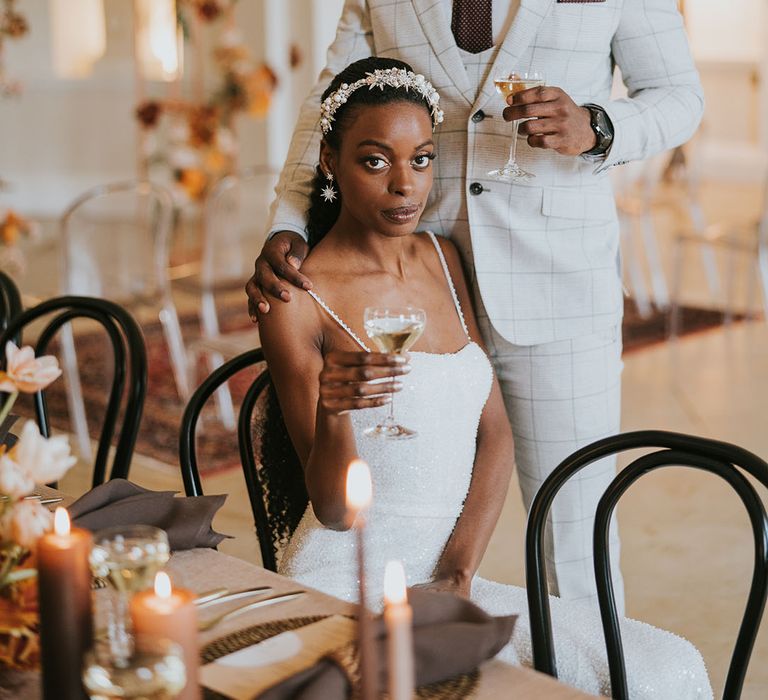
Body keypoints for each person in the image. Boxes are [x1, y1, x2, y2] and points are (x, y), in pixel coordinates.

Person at [257, 55, 712, 699]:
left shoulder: (444, 259)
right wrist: (335, 411)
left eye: (420, 159)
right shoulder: (296, 298)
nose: (404, 187)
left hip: (445, 576)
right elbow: (332, 511)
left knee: (666, 667)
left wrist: (459, 572)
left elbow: (494, 435)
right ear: (328, 161)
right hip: (346, 580)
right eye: (374, 160)